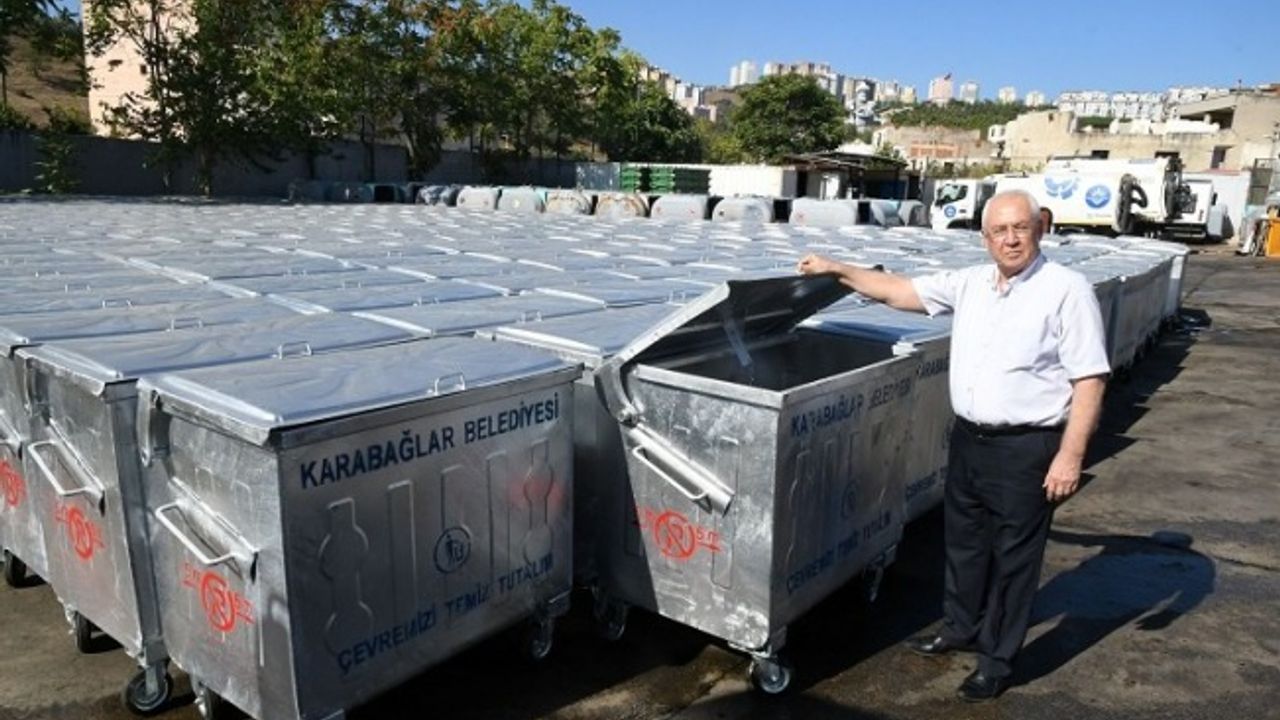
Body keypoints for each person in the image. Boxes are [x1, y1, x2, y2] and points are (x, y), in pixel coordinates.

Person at [797, 189, 1109, 702]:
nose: (1010, 239)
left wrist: (1070, 457)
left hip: (1027, 447)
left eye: (1020, 228)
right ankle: (960, 627)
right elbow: (900, 291)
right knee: (963, 542)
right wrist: (838, 269)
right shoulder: (972, 284)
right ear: (984, 238)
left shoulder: (1066, 290)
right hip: (970, 440)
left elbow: (1091, 379)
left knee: (1014, 559)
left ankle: (997, 659)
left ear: (1040, 229)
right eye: (999, 231)